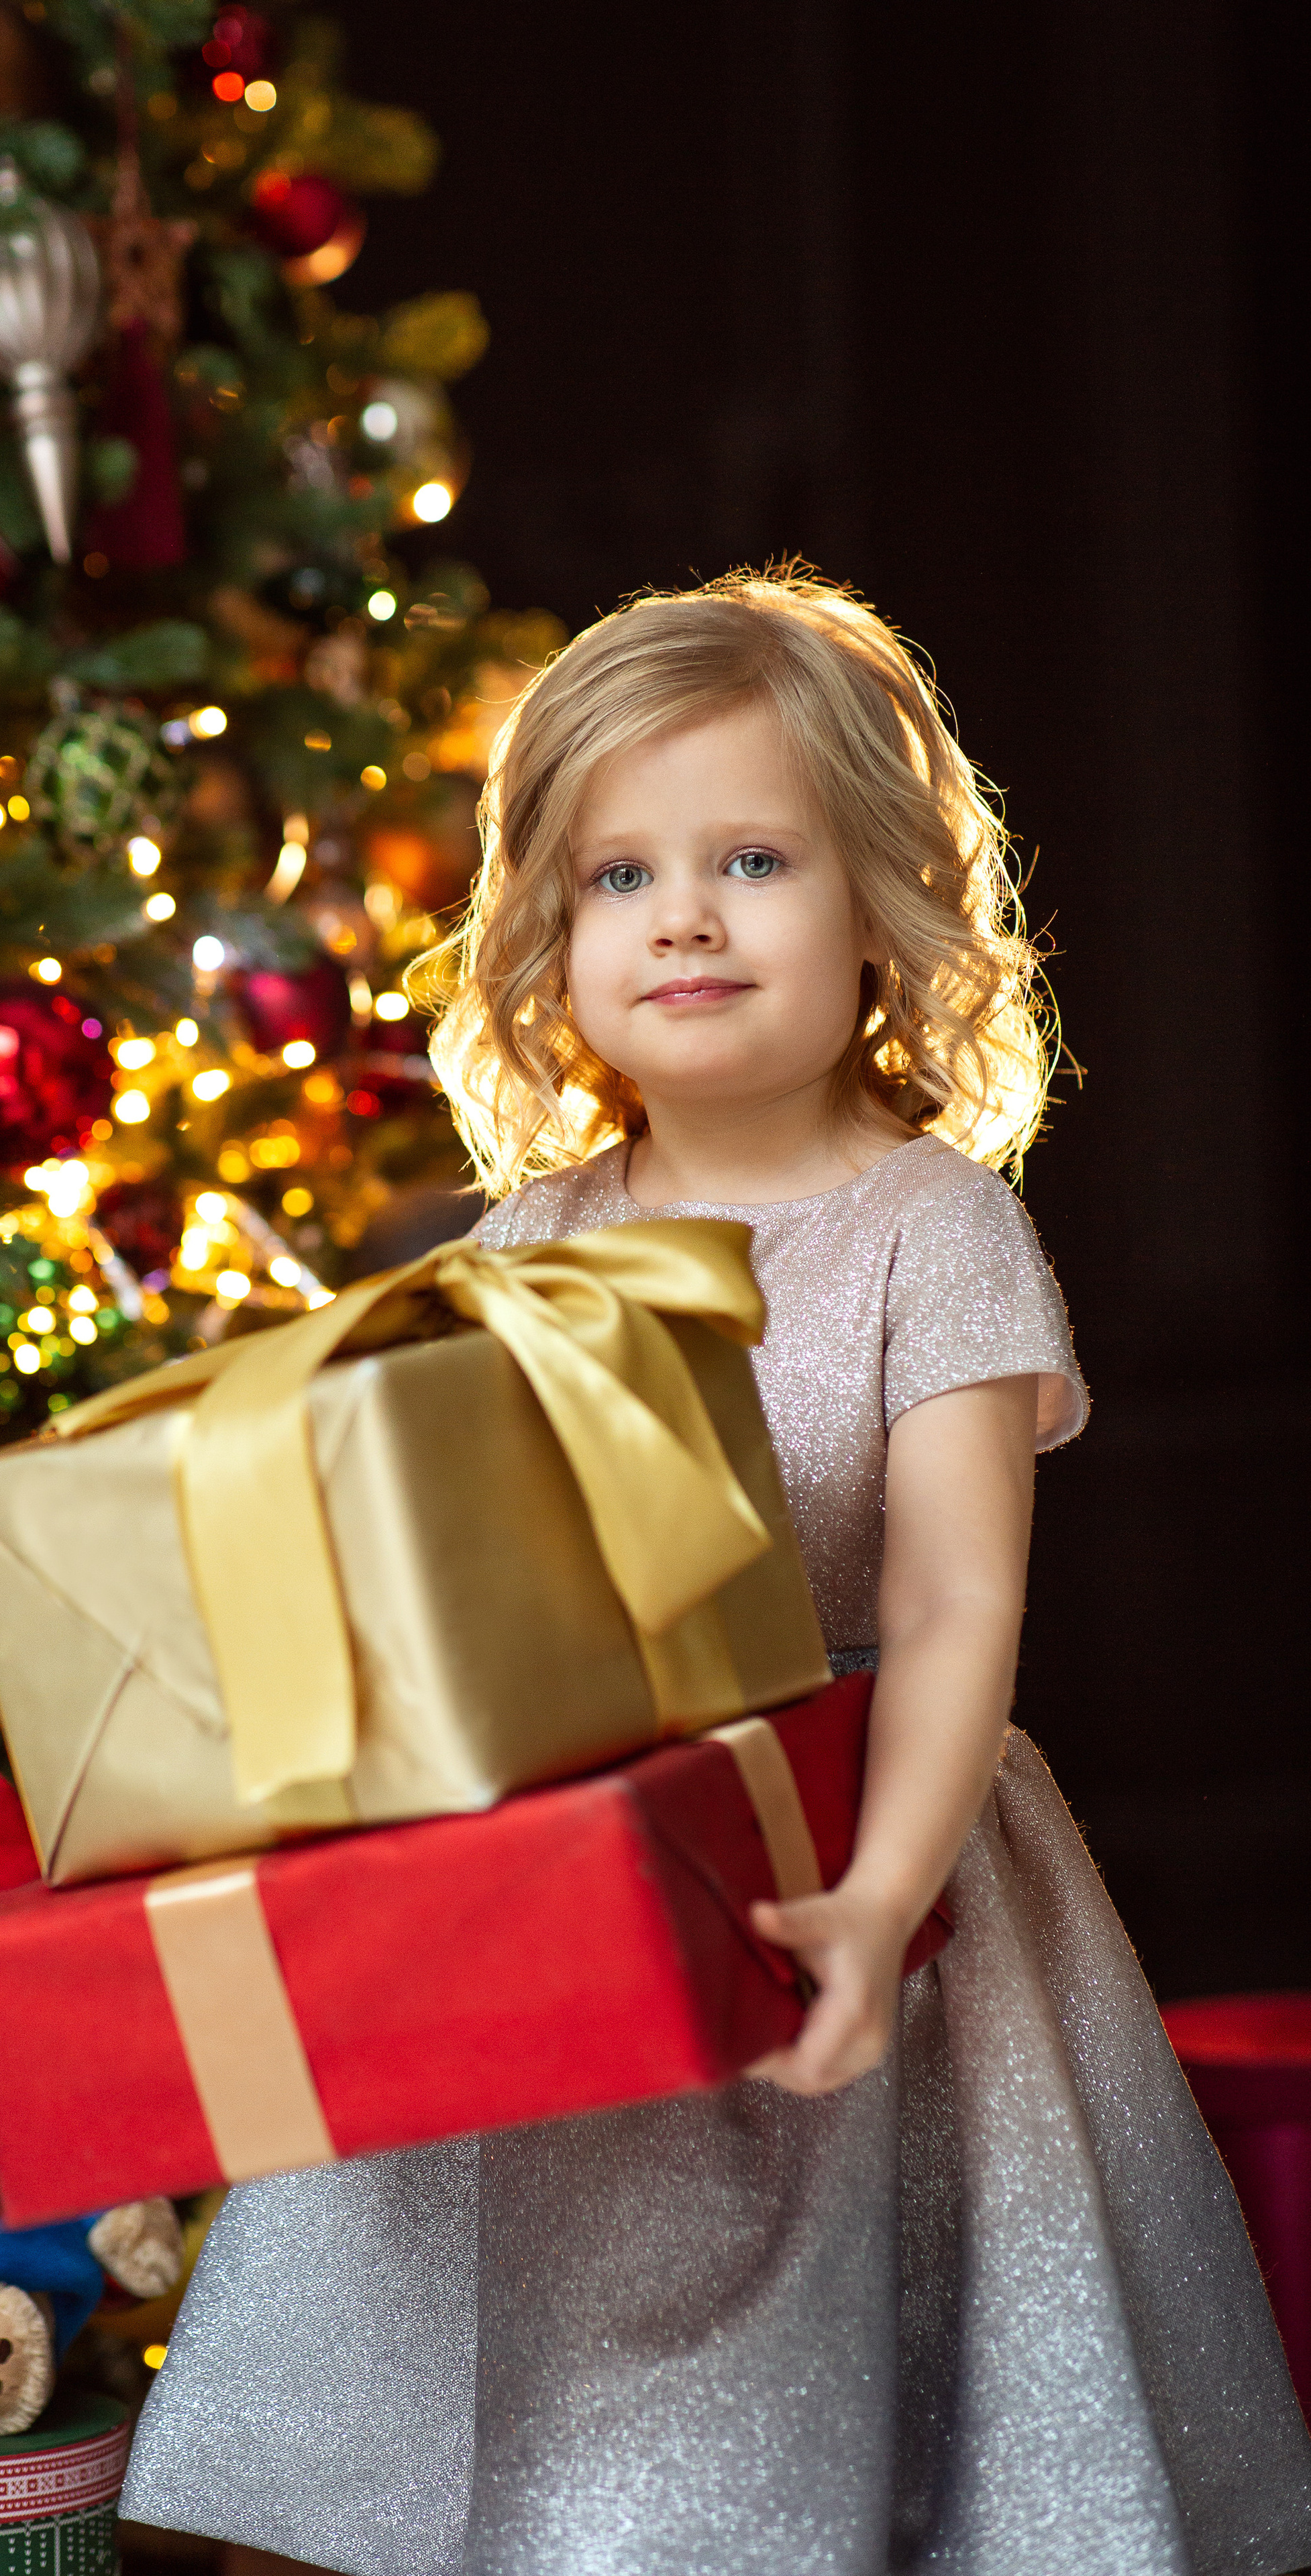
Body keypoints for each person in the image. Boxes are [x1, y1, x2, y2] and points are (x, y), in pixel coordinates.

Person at [123, 573, 1311, 2575]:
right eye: (622, 876)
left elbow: (952, 1606)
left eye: (752, 860)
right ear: (550, 932)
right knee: (575, 2417)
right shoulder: (525, 1245)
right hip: (582, 1886)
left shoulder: (934, 1232)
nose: (683, 917)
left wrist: (880, 1895)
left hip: (859, 1865)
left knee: (846, 2427)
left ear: (880, 912)